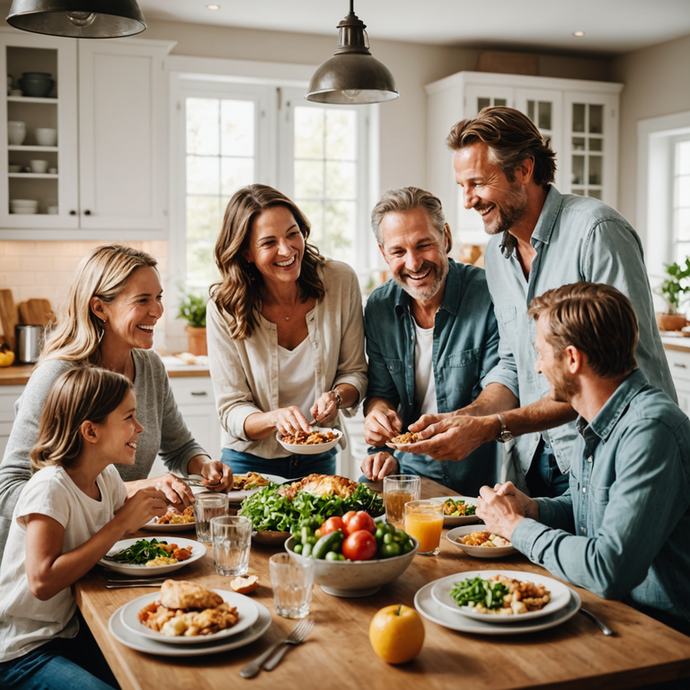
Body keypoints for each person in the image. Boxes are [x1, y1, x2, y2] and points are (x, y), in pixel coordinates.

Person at [406, 106, 675, 497]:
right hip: (534, 459)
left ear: (524, 170)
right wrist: (462, 418)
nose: (467, 201)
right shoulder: (497, 255)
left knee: (604, 560)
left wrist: (491, 427)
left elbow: (614, 374)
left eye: (478, 183)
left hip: (611, 454)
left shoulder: (596, 232)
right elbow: (515, 366)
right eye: (462, 185)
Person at [476, 282, 690, 636]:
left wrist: (514, 528)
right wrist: (534, 510)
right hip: (612, 617)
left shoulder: (651, 431)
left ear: (572, 359)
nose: (538, 368)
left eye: (541, 353)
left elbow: (608, 569)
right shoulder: (598, 419)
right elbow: (591, 508)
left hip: (663, 639)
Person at [0, 245, 232, 562]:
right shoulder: (58, 377)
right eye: (142, 300)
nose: (158, 311)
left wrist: (204, 466)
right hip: (47, 563)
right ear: (100, 308)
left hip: (116, 546)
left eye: (159, 297)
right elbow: (8, 489)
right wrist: (127, 491)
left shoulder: (150, 367)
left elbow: (179, 447)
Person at [0, 366, 168, 689]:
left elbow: (125, 530)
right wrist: (122, 523)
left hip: (70, 633)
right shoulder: (50, 487)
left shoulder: (106, 478)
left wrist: (155, 509)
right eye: (129, 418)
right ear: (91, 431)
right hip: (21, 651)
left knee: (153, 674)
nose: (141, 427)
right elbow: (42, 580)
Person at [207, 184, 367, 478]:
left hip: (317, 455)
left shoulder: (340, 281)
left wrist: (336, 397)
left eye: (292, 234)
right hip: (249, 463)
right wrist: (274, 419)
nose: (287, 250)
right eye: (269, 242)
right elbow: (231, 410)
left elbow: (355, 371)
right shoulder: (224, 307)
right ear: (246, 253)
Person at [360, 187, 502, 496]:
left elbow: (502, 391)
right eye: (398, 251)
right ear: (384, 253)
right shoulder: (379, 306)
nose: (413, 263)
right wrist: (378, 416)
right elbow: (380, 393)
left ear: (446, 237)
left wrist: (455, 425)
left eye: (424, 245)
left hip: (476, 476)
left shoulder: (489, 294)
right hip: (405, 467)